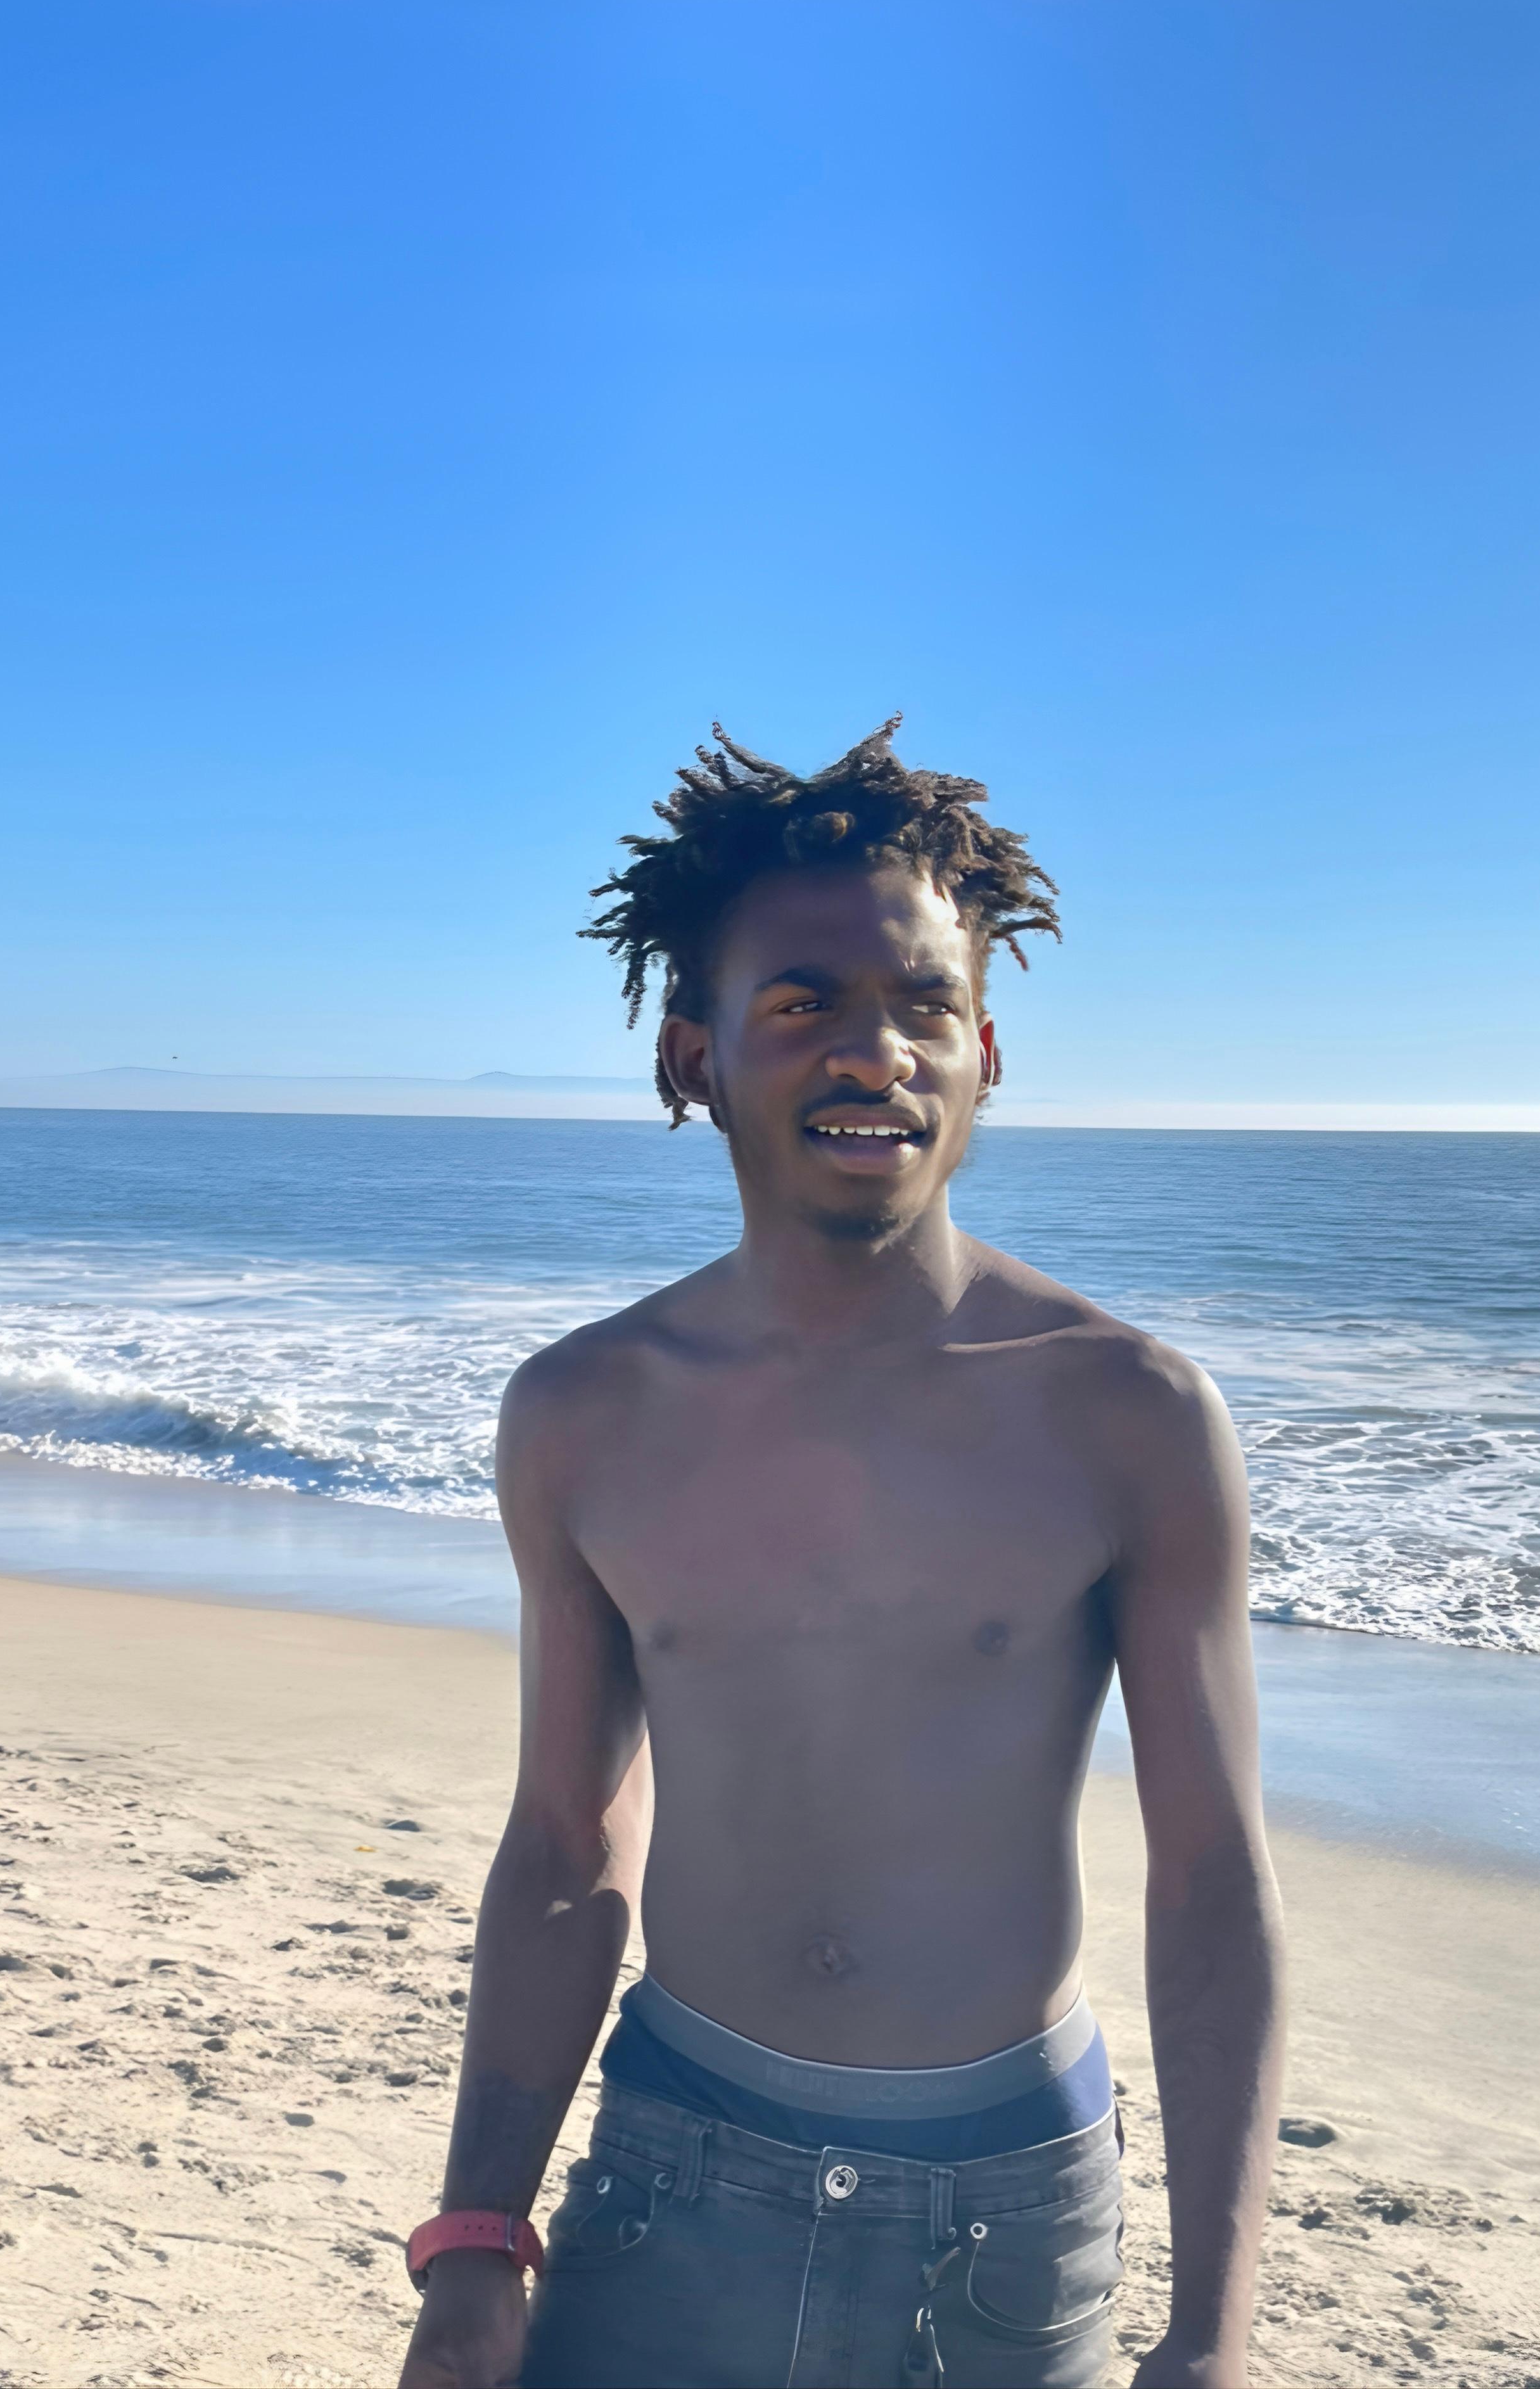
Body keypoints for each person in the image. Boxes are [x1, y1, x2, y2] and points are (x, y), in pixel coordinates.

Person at [398, 722, 1285, 2389]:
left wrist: (1212, 2336)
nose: (876, 1054)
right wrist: (474, 2239)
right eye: (804, 1005)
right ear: (696, 1056)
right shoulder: (586, 1413)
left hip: (1002, 2217)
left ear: (984, 1052)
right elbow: (565, 1847)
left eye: (924, 1007)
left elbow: (1212, 1884)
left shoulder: (1128, 1414)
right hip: (671, 2173)